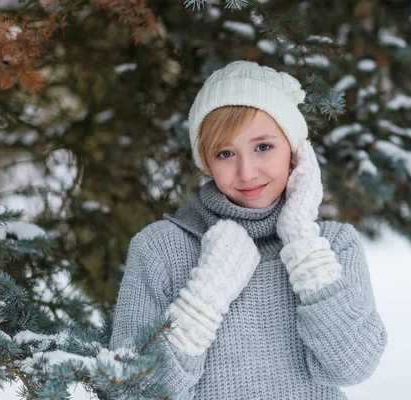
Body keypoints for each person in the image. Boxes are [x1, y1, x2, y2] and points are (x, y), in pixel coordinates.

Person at [109, 60, 387, 399]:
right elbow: (129, 391)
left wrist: (302, 242)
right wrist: (204, 296)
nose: (247, 172)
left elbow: (353, 365)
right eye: (225, 153)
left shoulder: (330, 245)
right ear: (207, 163)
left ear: (295, 150)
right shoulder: (159, 248)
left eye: (263, 147)